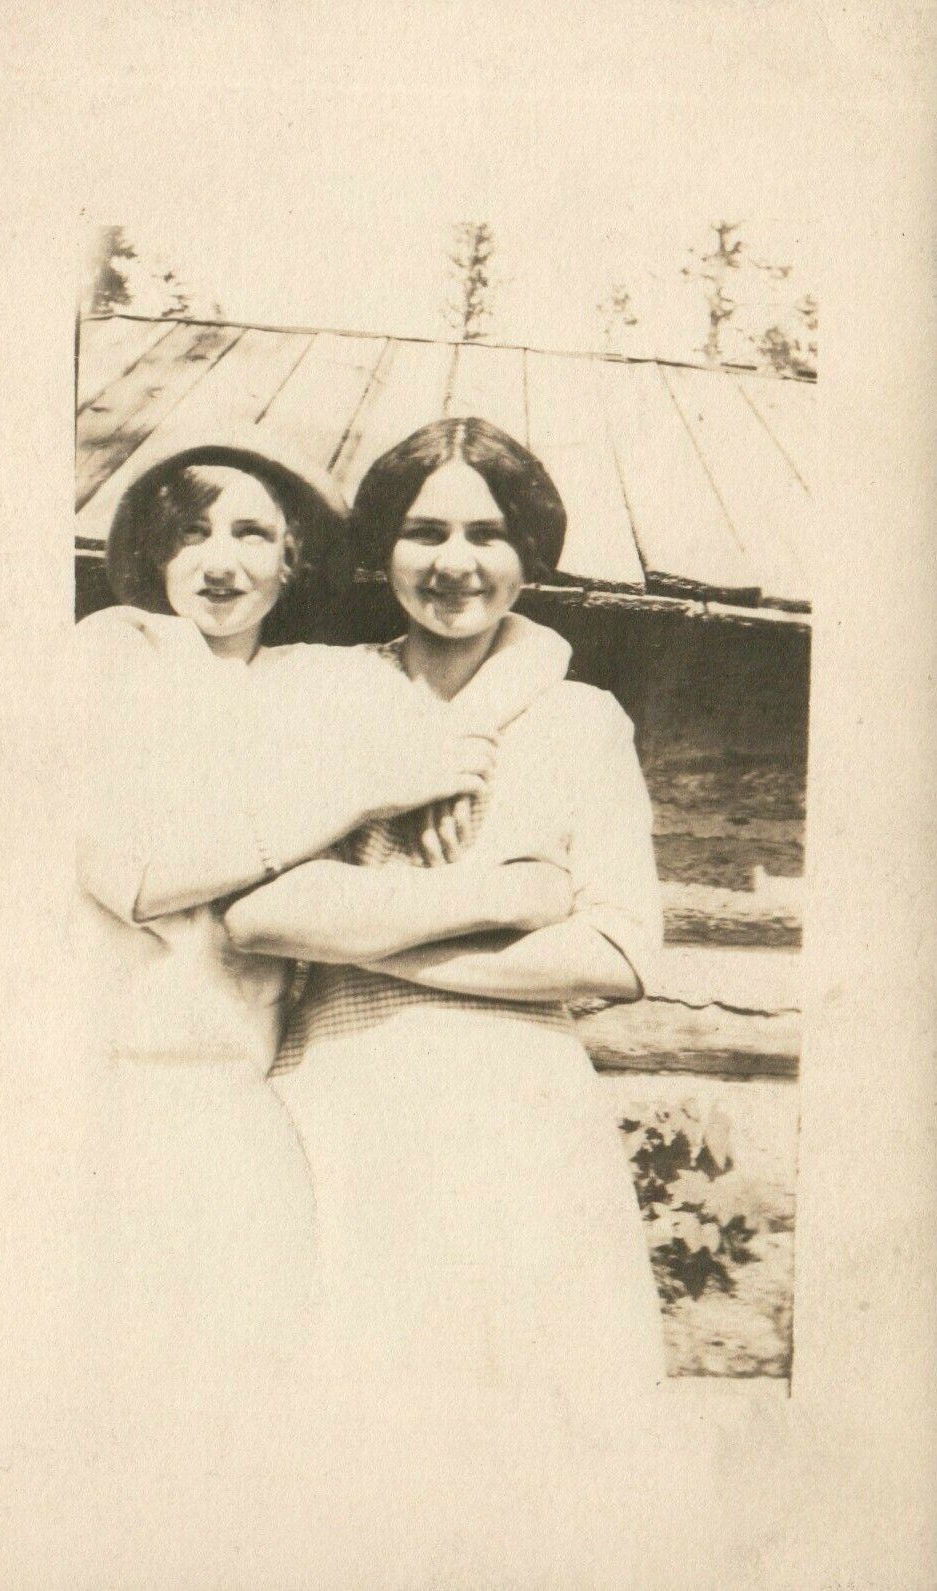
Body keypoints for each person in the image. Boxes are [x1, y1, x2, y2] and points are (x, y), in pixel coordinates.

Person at [69, 440, 573, 1578]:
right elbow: (143, 873)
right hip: (113, 1081)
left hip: (247, 1086)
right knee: (124, 1406)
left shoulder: (309, 682)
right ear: (150, 548)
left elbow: (521, 648)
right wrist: (383, 789)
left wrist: (457, 770)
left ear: (297, 558)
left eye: (253, 533)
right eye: (192, 529)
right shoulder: (111, 656)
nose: (220, 559)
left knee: (262, 1396)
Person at [223, 419, 666, 1517]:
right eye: (424, 530)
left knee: (523, 1457)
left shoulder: (579, 719)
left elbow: (615, 948)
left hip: (519, 1110)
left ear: (531, 550)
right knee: (346, 1451)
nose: (456, 561)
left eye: (488, 531)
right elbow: (261, 906)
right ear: (381, 546)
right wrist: (505, 899)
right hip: (335, 1099)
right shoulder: (306, 687)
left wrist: (391, 949)